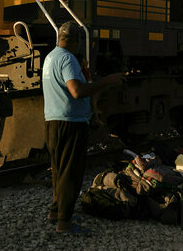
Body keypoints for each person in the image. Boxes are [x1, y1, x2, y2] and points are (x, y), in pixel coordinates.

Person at [43, 21, 125, 234]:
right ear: (75, 41)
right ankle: (64, 223)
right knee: (71, 173)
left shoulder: (50, 57)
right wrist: (108, 80)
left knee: (59, 171)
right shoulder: (67, 59)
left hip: (52, 121)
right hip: (70, 123)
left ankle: (55, 212)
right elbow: (77, 91)